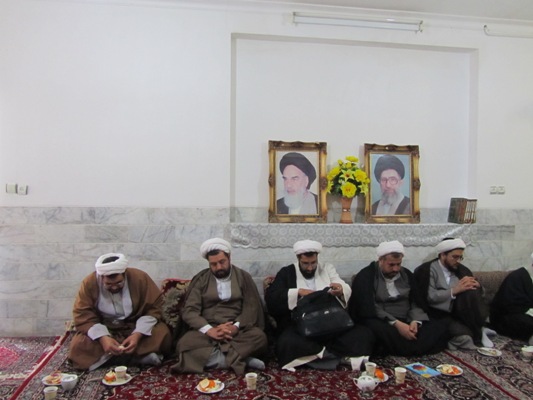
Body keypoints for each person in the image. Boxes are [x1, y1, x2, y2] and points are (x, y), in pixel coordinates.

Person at [265, 240, 375, 371]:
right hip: (302, 327)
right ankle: (337, 357)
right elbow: (273, 297)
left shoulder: (327, 268)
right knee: (287, 343)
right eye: (305, 263)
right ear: (298, 259)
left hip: (331, 324)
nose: (310, 268)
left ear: (317, 258)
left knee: (364, 334)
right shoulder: (287, 272)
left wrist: (340, 290)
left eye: (313, 263)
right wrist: (298, 292)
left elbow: (341, 285)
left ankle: (319, 358)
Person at [171, 238, 268, 375]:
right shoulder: (201, 279)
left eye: (222, 262)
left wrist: (235, 327)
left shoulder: (243, 277)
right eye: (213, 264)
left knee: (259, 337)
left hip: (237, 330)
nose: (219, 267)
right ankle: (239, 359)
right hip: (208, 330)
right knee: (185, 344)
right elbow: (190, 311)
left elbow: (251, 307)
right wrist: (210, 330)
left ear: (229, 257)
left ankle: (217, 359)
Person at [68, 253, 172, 370]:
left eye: (119, 283)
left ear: (124, 274)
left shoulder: (140, 278)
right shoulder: (89, 283)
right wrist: (103, 338)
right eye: (108, 284)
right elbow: (83, 315)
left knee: (162, 333)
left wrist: (137, 334)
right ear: (101, 278)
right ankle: (136, 359)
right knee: (78, 344)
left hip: (133, 325)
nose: (114, 287)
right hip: (105, 327)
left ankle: (109, 359)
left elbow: (154, 308)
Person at [348, 240, 448, 356]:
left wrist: (416, 321)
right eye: (391, 265)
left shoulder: (406, 275)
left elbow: (415, 301)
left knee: (439, 325)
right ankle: (413, 347)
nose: (396, 269)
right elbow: (369, 306)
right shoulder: (366, 276)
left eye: (398, 264)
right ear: (381, 260)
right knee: (375, 330)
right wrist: (396, 324)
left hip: (407, 318)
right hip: (382, 320)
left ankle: (407, 346)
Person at [414, 238, 494, 350]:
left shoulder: (462, 270)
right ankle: (479, 330)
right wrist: (454, 290)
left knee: (471, 292)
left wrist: (478, 286)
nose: (458, 261)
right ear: (443, 255)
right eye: (455, 257)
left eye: (460, 257)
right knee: (464, 336)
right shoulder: (426, 270)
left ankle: (480, 329)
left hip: (460, 312)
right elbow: (429, 297)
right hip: (436, 313)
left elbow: (478, 296)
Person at [490, 252, 533, 345]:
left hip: (526, 313)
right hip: (507, 317)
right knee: (524, 321)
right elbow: (509, 305)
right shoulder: (517, 277)